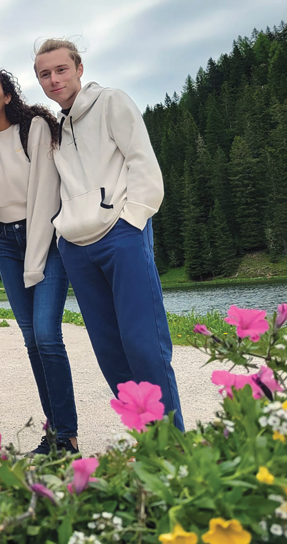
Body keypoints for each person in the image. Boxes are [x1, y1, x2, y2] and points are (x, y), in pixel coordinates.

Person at [34, 39, 184, 430]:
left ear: (79, 68)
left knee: (144, 345)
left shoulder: (112, 102)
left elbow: (142, 162)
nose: (54, 79)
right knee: (110, 353)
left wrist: (133, 221)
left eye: (61, 69)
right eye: (44, 74)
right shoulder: (54, 128)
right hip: (76, 249)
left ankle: (174, 448)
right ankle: (148, 444)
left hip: (121, 235)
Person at [0, 66, 80, 454]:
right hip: (6, 240)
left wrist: (38, 251)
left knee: (47, 335)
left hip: (44, 234)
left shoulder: (34, 130)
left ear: (7, 95)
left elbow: (47, 192)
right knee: (31, 340)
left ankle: (66, 436)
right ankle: (57, 436)